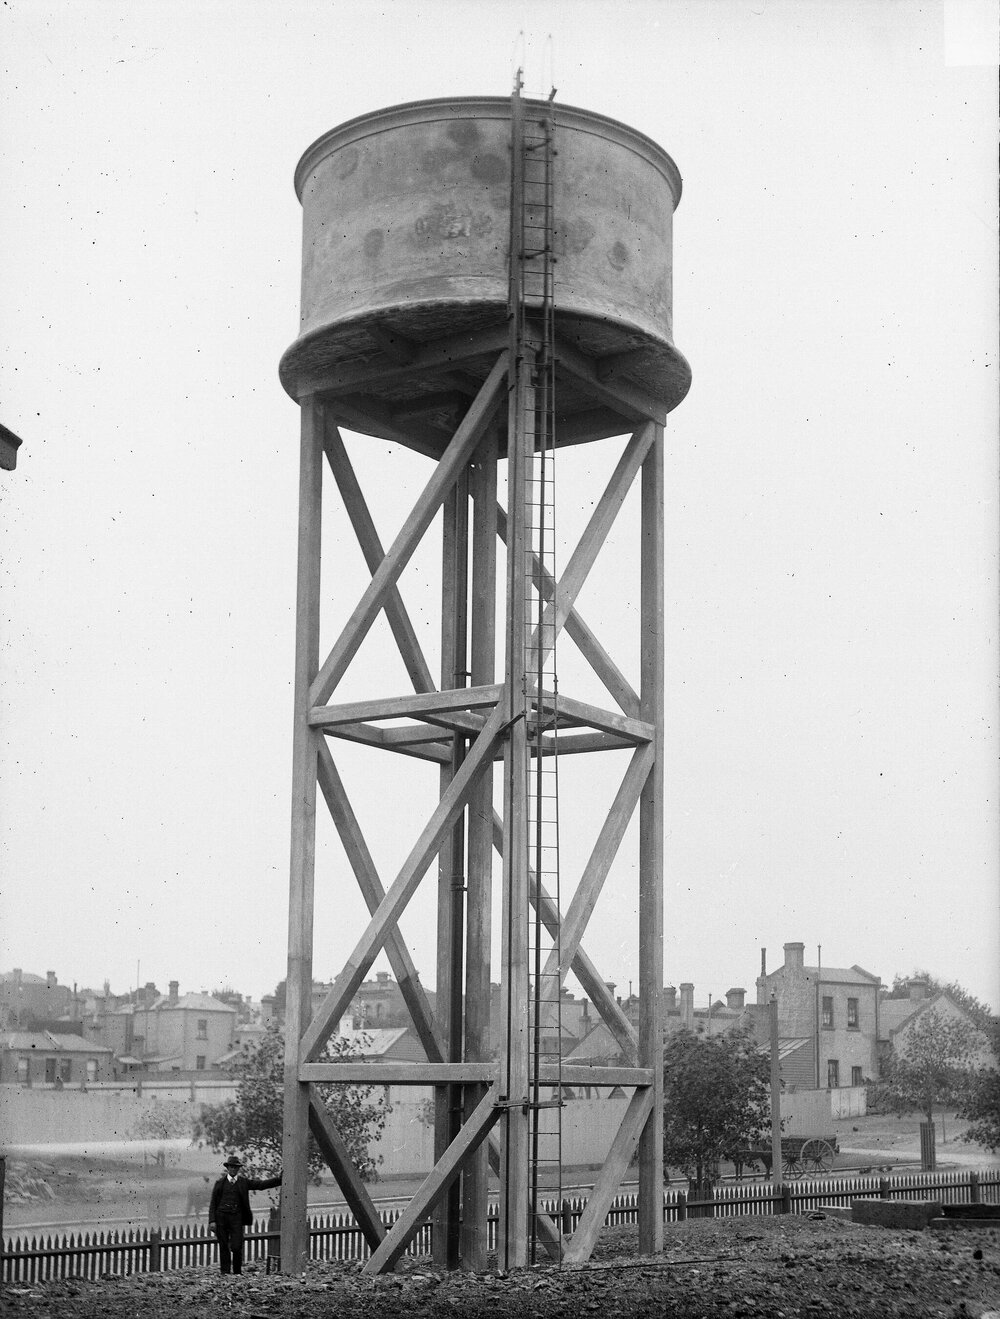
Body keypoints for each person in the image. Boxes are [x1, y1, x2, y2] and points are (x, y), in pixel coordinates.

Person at [208, 1154, 282, 1276]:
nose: (233, 1169)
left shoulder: (243, 1182)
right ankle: (225, 1272)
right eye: (231, 1167)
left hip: (236, 1219)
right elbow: (213, 1203)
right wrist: (212, 1221)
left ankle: (237, 1272)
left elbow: (261, 1185)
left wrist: (279, 1180)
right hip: (221, 1218)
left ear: (238, 1169)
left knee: (237, 1246)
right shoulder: (219, 1183)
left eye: (236, 1167)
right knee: (223, 1245)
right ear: (228, 1168)